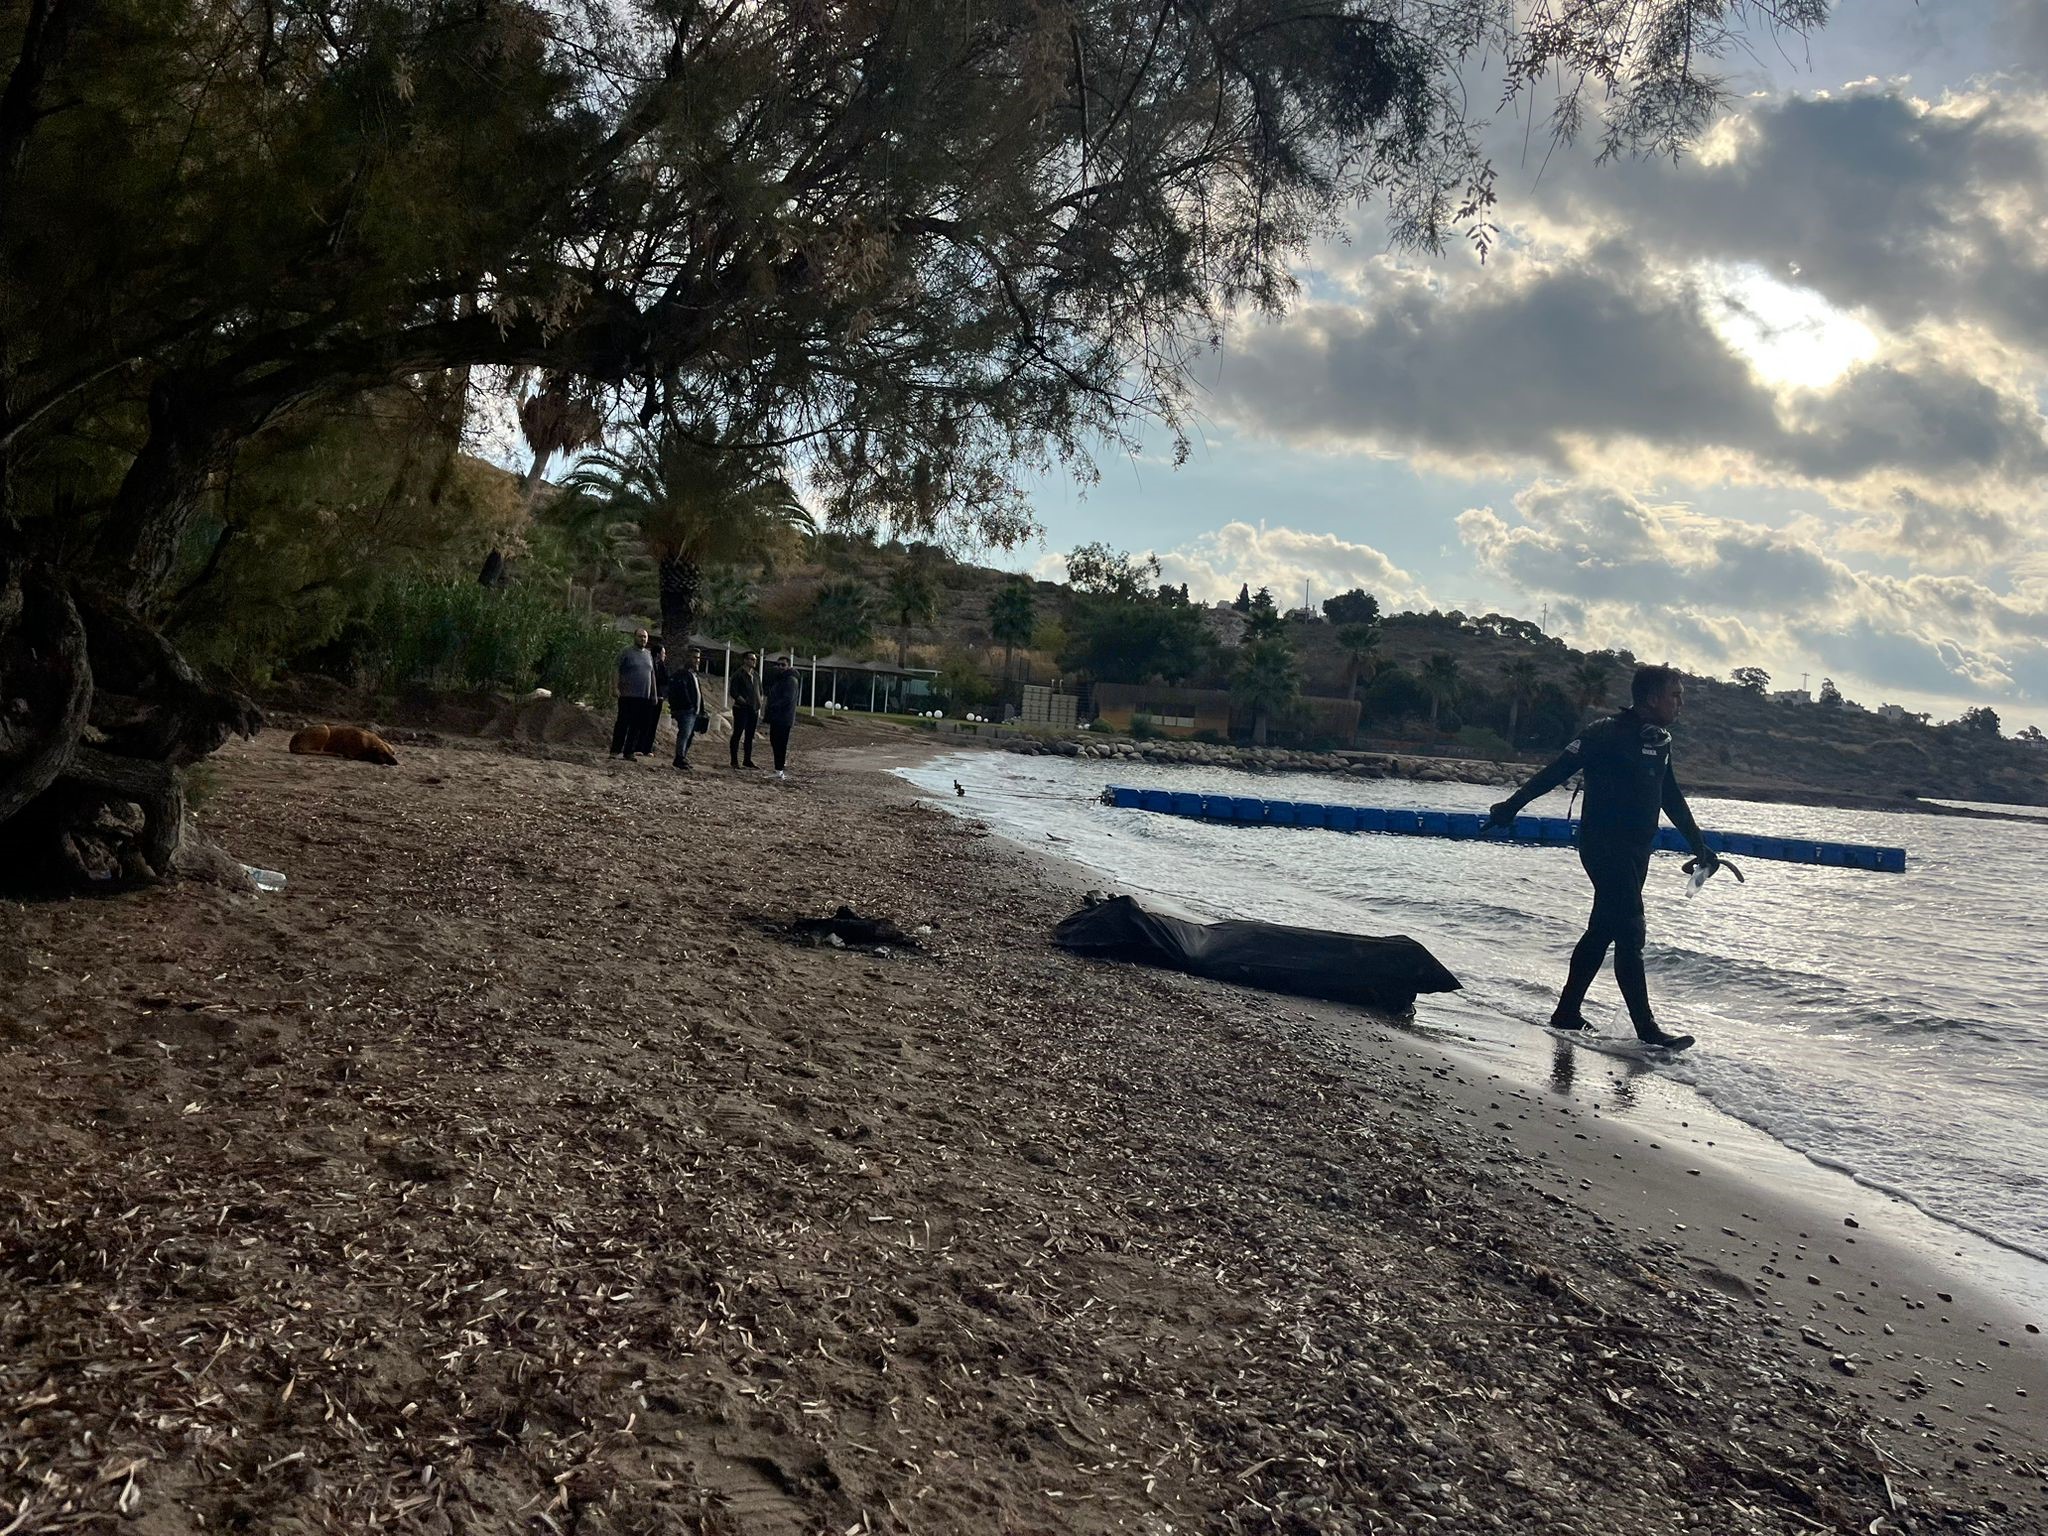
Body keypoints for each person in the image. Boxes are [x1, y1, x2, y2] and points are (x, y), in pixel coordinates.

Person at [1484, 663, 1716, 1051]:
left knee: (1603, 929)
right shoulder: (1604, 734)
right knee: (1631, 934)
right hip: (1603, 847)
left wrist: (1698, 844)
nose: (1681, 703)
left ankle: (1567, 1013)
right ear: (1652, 697)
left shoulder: (1660, 741)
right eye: (1675, 695)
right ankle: (1647, 1032)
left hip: (1637, 850)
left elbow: (1669, 795)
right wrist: (1511, 806)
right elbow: (1554, 772)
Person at [610, 628, 659, 760]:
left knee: (636, 725)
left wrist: (654, 694)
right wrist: (615, 687)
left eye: (645, 637)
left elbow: (652, 674)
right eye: (640, 636)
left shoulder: (648, 655)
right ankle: (615, 750)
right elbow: (615, 668)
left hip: (643, 696)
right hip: (627, 695)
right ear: (634, 637)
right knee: (622, 723)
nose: (643, 639)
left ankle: (629, 752)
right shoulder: (626, 652)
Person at [764, 654, 802, 779]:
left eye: (783, 665)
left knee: (780, 743)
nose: (780, 667)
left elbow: (788, 699)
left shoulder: (790, 679)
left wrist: (774, 706)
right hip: (778, 717)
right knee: (775, 742)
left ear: (789, 666)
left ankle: (779, 770)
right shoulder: (781, 678)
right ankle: (778, 768)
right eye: (778, 664)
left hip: (783, 718)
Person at [667, 647, 704, 770]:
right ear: (687, 658)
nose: (697, 660)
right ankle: (679, 757)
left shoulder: (694, 675)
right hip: (686, 710)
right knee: (684, 733)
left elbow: (698, 694)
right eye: (694, 657)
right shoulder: (681, 674)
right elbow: (680, 692)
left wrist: (701, 709)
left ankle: (682, 756)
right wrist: (688, 706)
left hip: (693, 710)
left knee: (689, 734)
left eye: (698, 658)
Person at [634, 640, 670, 757]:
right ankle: (639, 746)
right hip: (647, 697)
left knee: (653, 724)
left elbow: (665, 680)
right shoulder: (650, 663)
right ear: (658, 653)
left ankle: (648, 748)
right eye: (663, 653)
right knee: (644, 723)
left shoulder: (662, 666)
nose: (665, 655)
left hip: (659, 697)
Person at [728, 651, 762, 769]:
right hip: (741, 709)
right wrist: (743, 701)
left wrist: (758, 702)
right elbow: (733, 691)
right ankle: (734, 760)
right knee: (737, 733)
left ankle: (747, 759)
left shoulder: (756, 675)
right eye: (752, 659)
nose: (754, 662)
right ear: (745, 660)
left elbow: (759, 690)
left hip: (754, 709)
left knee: (750, 735)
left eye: (755, 660)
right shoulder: (738, 674)